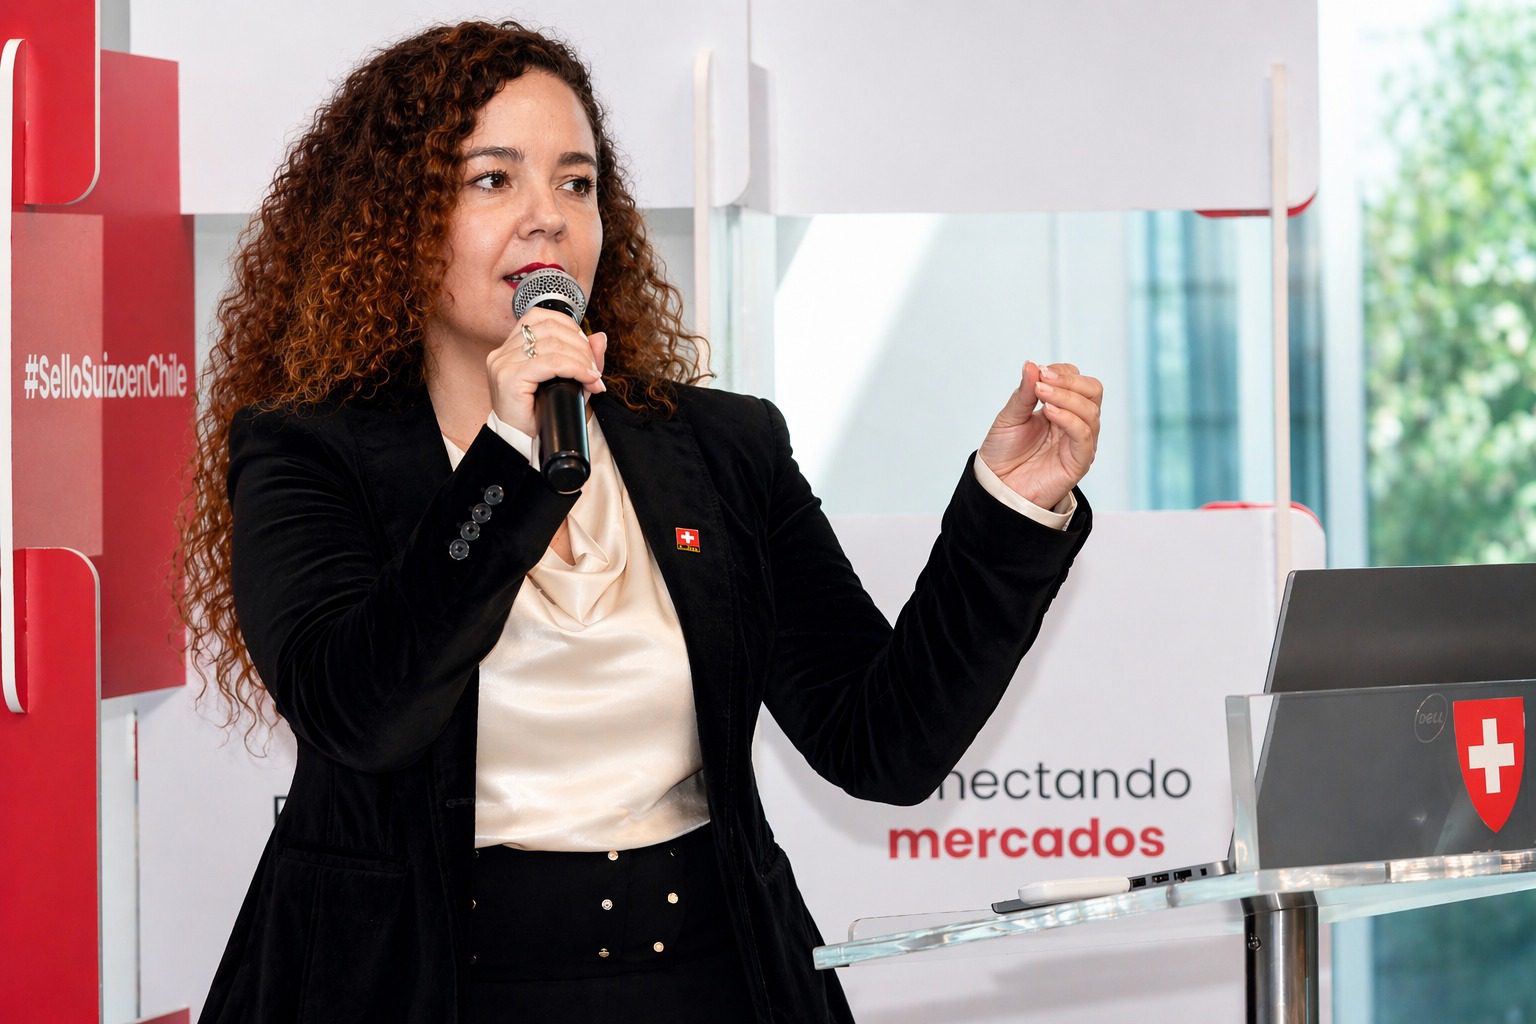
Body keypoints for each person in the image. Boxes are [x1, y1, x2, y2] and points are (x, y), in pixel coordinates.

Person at [177, 20, 1101, 1024]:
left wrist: (1012, 507)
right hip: (422, 988)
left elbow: (883, 742)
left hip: (709, 983)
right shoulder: (306, 452)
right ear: (394, 219)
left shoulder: (721, 448)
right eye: (493, 180)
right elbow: (364, 712)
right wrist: (509, 456)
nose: (547, 219)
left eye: (576, 184)